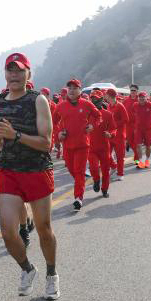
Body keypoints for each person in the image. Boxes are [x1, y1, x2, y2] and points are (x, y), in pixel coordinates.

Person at [0, 52, 58, 300]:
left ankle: (52, 274)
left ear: (28, 74)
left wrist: (15, 135)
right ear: (5, 74)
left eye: (19, 70)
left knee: (43, 228)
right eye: (10, 70)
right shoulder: (0, 102)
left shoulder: (38, 101)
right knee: (8, 232)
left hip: (37, 169)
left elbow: (46, 143)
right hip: (8, 169)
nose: (14, 75)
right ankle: (28, 269)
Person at [53, 79, 101, 211]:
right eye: (70, 88)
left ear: (80, 90)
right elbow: (53, 121)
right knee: (72, 170)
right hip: (67, 145)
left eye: (75, 88)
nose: (72, 90)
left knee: (79, 172)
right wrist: (58, 134)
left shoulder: (86, 104)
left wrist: (92, 125)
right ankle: (82, 184)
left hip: (82, 144)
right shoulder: (61, 106)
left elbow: (98, 116)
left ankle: (78, 198)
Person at [88, 92, 116, 197]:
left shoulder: (108, 114)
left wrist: (110, 134)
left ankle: (105, 189)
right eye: (92, 99)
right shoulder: (87, 114)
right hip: (91, 147)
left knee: (105, 170)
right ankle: (96, 180)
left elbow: (113, 128)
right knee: (94, 167)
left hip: (104, 147)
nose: (94, 101)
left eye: (96, 99)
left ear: (101, 100)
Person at [133, 92, 151, 169]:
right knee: (138, 145)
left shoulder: (150, 104)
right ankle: (140, 162)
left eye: (143, 97)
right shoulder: (135, 105)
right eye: (140, 97)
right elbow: (133, 112)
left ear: (146, 98)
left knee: (148, 146)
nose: (141, 99)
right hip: (138, 129)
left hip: (149, 129)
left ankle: (147, 161)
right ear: (138, 98)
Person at [106, 89, 129, 181]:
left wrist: (114, 124)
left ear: (110, 96)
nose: (105, 96)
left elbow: (126, 119)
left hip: (119, 135)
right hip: (110, 135)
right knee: (107, 154)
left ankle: (120, 174)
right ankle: (114, 166)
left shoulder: (120, 106)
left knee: (120, 156)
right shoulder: (109, 106)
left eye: (106, 95)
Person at [123, 85, 140, 164]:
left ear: (137, 91)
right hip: (128, 125)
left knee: (136, 143)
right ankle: (137, 155)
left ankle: (137, 159)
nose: (132, 92)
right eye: (131, 90)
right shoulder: (126, 100)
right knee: (130, 142)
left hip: (137, 125)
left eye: (134, 90)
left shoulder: (140, 100)